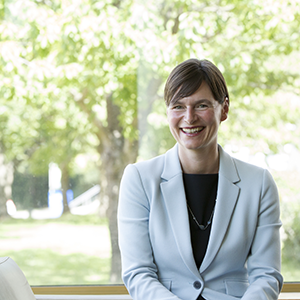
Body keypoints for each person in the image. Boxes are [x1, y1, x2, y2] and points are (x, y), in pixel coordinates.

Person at [117, 58, 283, 300]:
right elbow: (138, 273)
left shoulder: (259, 184)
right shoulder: (139, 180)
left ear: (224, 109)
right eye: (178, 106)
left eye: (201, 105)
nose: (189, 117)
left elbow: (267, 275)